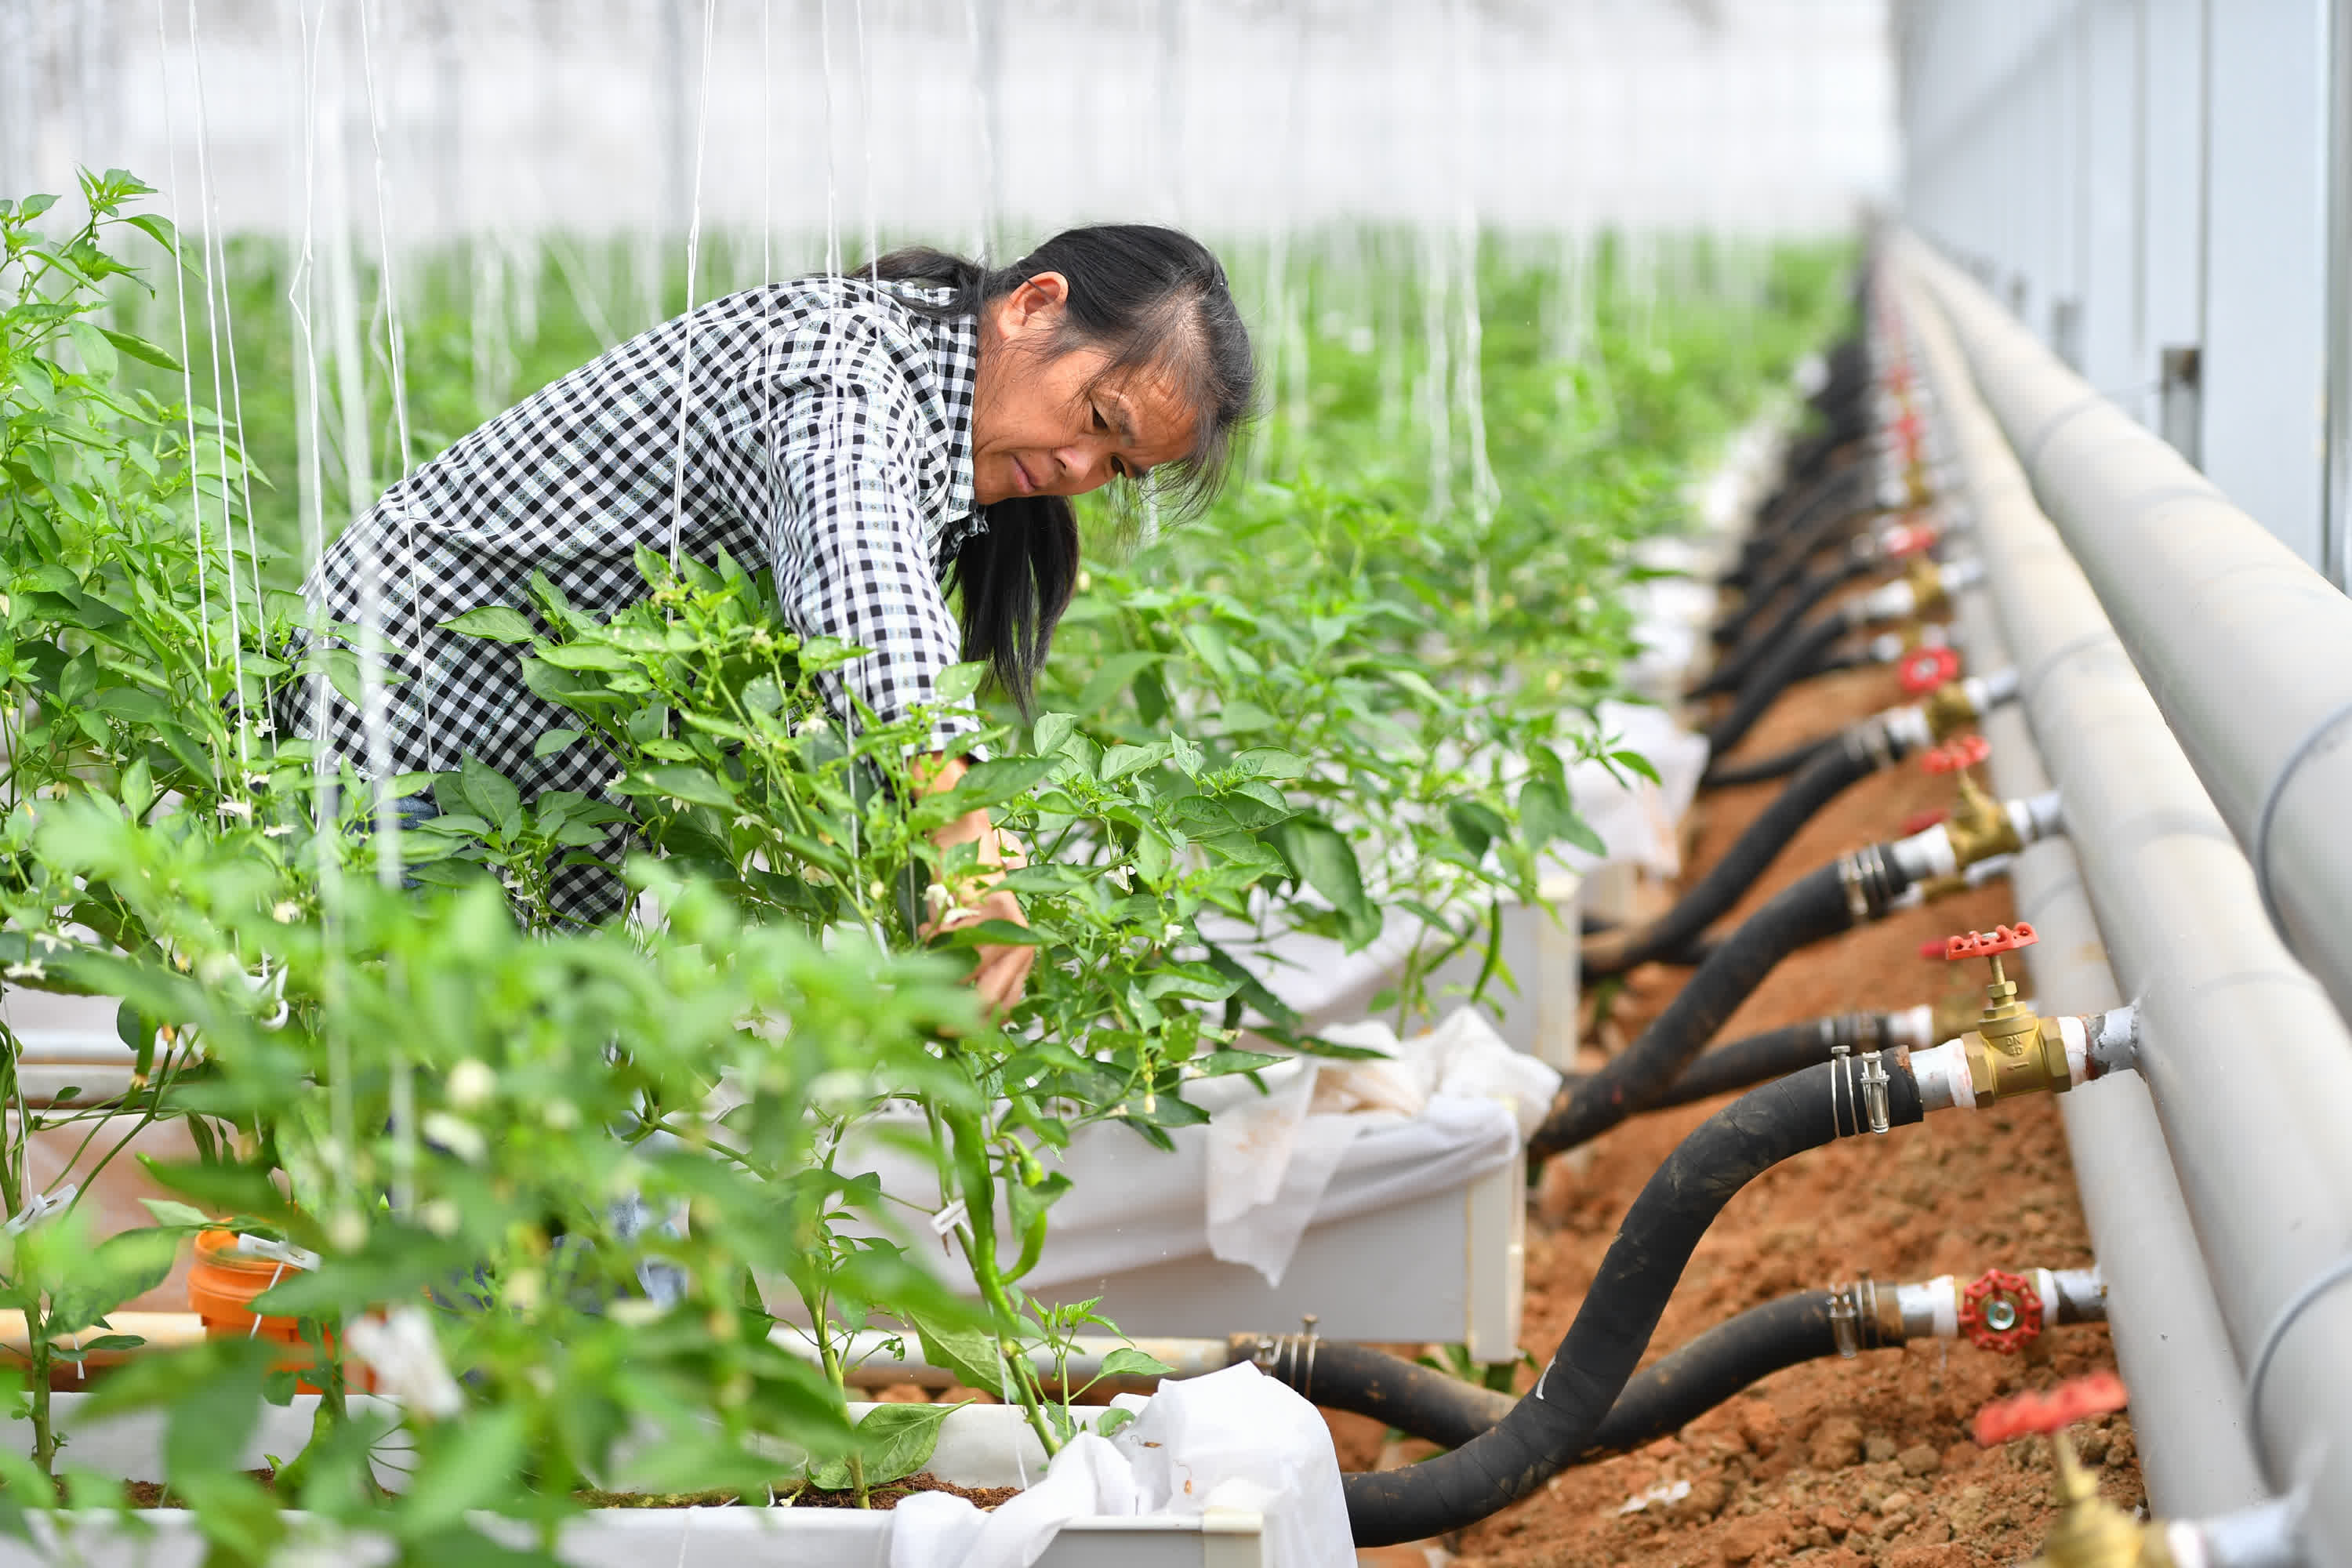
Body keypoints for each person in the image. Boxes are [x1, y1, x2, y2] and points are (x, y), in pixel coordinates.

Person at [278, 225, 1256, 1012]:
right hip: (407, 716)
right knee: (463, 1120)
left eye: (1117, 469)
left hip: (540, 776)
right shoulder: (841, 360)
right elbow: (858, 567)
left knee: (548, 1109)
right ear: (1032, 305)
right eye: (1099, 421)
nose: (1080, 471)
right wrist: (959, 820)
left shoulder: (950, 447)